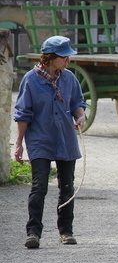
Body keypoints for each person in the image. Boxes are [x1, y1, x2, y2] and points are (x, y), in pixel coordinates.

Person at [14, 36, 86, 249]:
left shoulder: (70, 79)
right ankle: (33, 233)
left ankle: (66, 231)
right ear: (50, 57)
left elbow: (77, 103)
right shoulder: (30, 79)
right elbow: (23, 113)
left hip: (65, 139)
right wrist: (19, 143)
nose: (68, 60)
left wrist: (80, 116)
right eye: (64, 56)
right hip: (40, 140)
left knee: (67, 187)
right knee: (39, 187)